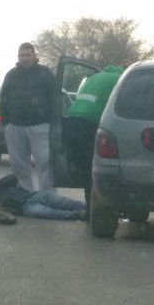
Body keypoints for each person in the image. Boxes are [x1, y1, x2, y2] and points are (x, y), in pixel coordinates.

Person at [65, 65, 124, 211]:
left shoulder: (95, 76)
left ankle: (89, 208)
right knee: (93, 168)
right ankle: (93, 209)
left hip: (73, 118)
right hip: (90, 122)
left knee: (84, 167)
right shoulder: (120, 78)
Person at [0, 43, 55, 191]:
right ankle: (25, 195)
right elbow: (3, 99)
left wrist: (50, 120)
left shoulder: (45, 73)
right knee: (18, 166)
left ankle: (48, 196)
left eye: (28, 55)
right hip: (15, 126)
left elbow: (54, 98)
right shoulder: (11, 75)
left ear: (34, 56)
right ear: (18, 57)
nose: (25, 58)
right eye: (22, 55)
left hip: (40, 126)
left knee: (45, 163)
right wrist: (6, 123)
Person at [0, 174, 86, 220]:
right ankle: (77, 215)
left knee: (65, 202)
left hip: (36, 195)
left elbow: (13, 177)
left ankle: (89, 208)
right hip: (27, 207)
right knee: (45, 212)